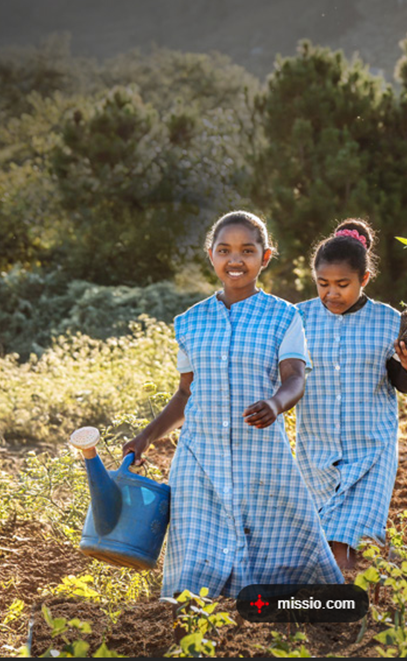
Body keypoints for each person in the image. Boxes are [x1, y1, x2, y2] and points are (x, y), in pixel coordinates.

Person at [122, 211, 343, 598]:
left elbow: (295, 377)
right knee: (194, 553)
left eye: (247, 250)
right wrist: (145, 437)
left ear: (266, 256)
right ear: (211, 256)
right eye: (224, 250)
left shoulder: (283, 315)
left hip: (260, 455)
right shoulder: (190, 322)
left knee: (284, 546)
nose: (235, 260)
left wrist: (275, 404)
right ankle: (190, 626)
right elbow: (185, 395)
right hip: (199, 457)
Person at [295, 219, 407, 571]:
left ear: (364, 279)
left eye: (342, 284)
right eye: (322, 284)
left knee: (346, 544)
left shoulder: (388, 321)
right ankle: (334, 609)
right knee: (324, 543)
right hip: (315, 453)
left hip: (371, 451)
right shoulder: (298, 319)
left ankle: (336, 612)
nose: (331, 294)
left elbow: (404, 380)